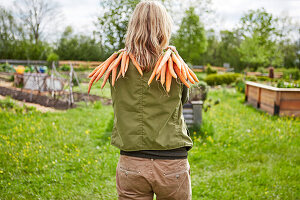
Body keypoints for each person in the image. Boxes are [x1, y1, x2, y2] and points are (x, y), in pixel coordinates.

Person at [108, 1, 193, 199]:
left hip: (131, 163)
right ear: (164, 27)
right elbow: (183, 99)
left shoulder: (116, 66)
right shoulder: (175, 65)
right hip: (171, 162)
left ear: (133, 27)